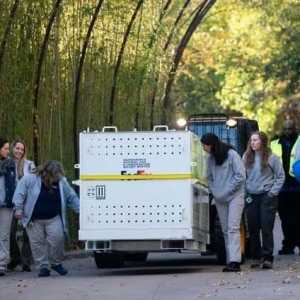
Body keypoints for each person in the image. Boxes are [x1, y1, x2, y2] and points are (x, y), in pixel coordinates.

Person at [12, 160, 80, 277]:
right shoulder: (30, 178)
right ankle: (43, 267)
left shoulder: (62, 182)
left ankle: (56, 263)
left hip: (54, 217)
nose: (58, 177)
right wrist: (18, 208)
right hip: (34, 218)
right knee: (37, 244)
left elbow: (71, 197)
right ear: (48, 174)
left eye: (59, 175)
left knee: (57, 240)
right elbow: (20, 193)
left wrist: (81, 211)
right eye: (55, 176)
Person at [200, 133, 246, 272]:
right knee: (225, 229)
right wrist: (215, 191)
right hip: (219, 198)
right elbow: (209, 177)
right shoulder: (210, 159)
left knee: (233, 227)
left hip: (235, 197)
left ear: (211, 144)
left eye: (204, 146)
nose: (203, 149)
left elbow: (240, 176)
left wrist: (227, 191)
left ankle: (235, 261)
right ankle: (230, 259)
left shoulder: (232, 155)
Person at [243, 131, 285, 269]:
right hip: (251, 196)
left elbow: (280, 176)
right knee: (253, 228)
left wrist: (272, 193)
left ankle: (267, 258)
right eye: (251, 140)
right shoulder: (246, 157)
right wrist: (245, 193)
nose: (252, 143)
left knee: (266, 227)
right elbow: (242, 176)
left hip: (267, 196)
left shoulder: (271, 157)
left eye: (255, 140)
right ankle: (256, 256)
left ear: (262, 141)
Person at [270, 120, 300, 255]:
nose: (287, 131)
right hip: (282, 189)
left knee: (299, 219)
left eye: (290, 129)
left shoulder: (299, 142)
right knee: (286, 219)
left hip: (297, 187)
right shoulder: (274, 144)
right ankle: (288, 245)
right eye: (285, 129)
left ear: (295, 128)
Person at [7, 140, 35, 272]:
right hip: (9, 202)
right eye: (17, 148)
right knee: (9, 231)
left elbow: (34, 182)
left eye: (22, 149)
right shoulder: (6, 164)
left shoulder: (29, 165)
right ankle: (15, 257)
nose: (19, 151)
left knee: (27, 232)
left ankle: (26, 261)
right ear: (12, 148)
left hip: (26, 202)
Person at [0, 137, 17, 276]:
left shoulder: (11, 164)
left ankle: (1, 265)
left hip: (7, 205)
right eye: (5, 148)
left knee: (4, 236)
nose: (7, 151)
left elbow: (14, 183)